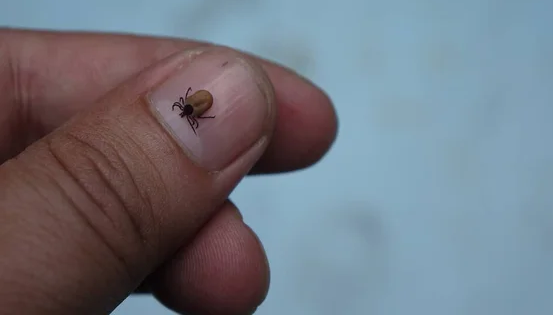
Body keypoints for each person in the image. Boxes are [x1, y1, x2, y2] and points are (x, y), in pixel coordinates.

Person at [0, 28, 338, 315]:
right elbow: (194, 105)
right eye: (185, 109)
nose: (186, 110)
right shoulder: (192, 105)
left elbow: (193, 103)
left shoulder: (190, 104)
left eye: (185, 108)